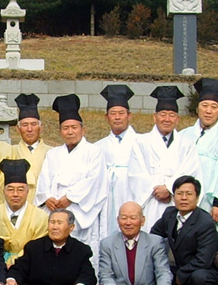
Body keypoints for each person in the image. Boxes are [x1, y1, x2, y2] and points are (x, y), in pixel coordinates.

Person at [36, 95, 106, 260]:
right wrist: (47, 198)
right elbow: (44, 180)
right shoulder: (53, 154)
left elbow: (94, 181)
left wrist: (70, 198)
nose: (70, 132)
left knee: (79, 254)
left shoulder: (94, 152)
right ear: (60, 131)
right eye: (65, 128)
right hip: (55, 210)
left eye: (74, 127)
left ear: (83, 130)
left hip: (79, 211)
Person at [150, 174, 218, 285]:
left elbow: (204, 260)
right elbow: (154, 234)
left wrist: (182, 274)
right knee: (157, 271)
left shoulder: (205, 222)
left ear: (197, 197)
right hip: (181, 269)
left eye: (189, 194)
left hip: (206, 273)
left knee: (200, 276)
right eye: (179, 193)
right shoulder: (170, 214)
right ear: (173, 196)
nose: (183, 198)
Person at [128, 85, 202, 229]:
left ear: (178, 119)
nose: (167, 119)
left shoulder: (187, 144)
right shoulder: (140, 142)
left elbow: (190, 171)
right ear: (154, 117)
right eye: (163, 114)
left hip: (176, 201)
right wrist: (157, 190)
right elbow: (136, 174)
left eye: (171, 115)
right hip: (150, 201)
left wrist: (168, 188)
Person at [6, 208, 96, 285]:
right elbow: (19, 268)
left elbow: (88, 274)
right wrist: (12, 280)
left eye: (59, 223)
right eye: (52, 222)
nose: (54, 227)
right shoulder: (33, 247)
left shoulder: (81, 250)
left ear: (71, 227)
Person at [176, 78, 218, 243]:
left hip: (209, 203)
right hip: (184, 200)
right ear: (197, 108)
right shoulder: (183, 135)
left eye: (214, 107)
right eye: (204, 106)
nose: (208, 111)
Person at [92, 201, 171, 285]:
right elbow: (105, 274)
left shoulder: (155, 242)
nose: (128, 222)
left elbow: (163, 271)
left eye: (133, 218)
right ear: (118, 220)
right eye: (124, 218)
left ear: (142, 221)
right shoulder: (107, 243)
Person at [94, 84, 140, 239]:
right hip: (107, 200)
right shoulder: (98, 147)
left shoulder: (141, 143)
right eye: (113, 113)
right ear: (106, 117)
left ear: (129, 115)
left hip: (131, 195)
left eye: (121, 113)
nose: (117, 117)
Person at [0, 157, 49, 266]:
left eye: (20, 189)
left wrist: (16, 262)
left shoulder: (41, 217)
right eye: (10, 189)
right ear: (3, 191)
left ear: (27, 192)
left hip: (29, 266)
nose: (15, 194)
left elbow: (39, 248)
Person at [8, 93, 50, 202]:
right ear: (18, 128)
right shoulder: (11, 152)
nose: (29, 129)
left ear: (41, 127)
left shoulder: (51, 152)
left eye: (34, 124)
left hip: (45, 205)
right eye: (25, 125)